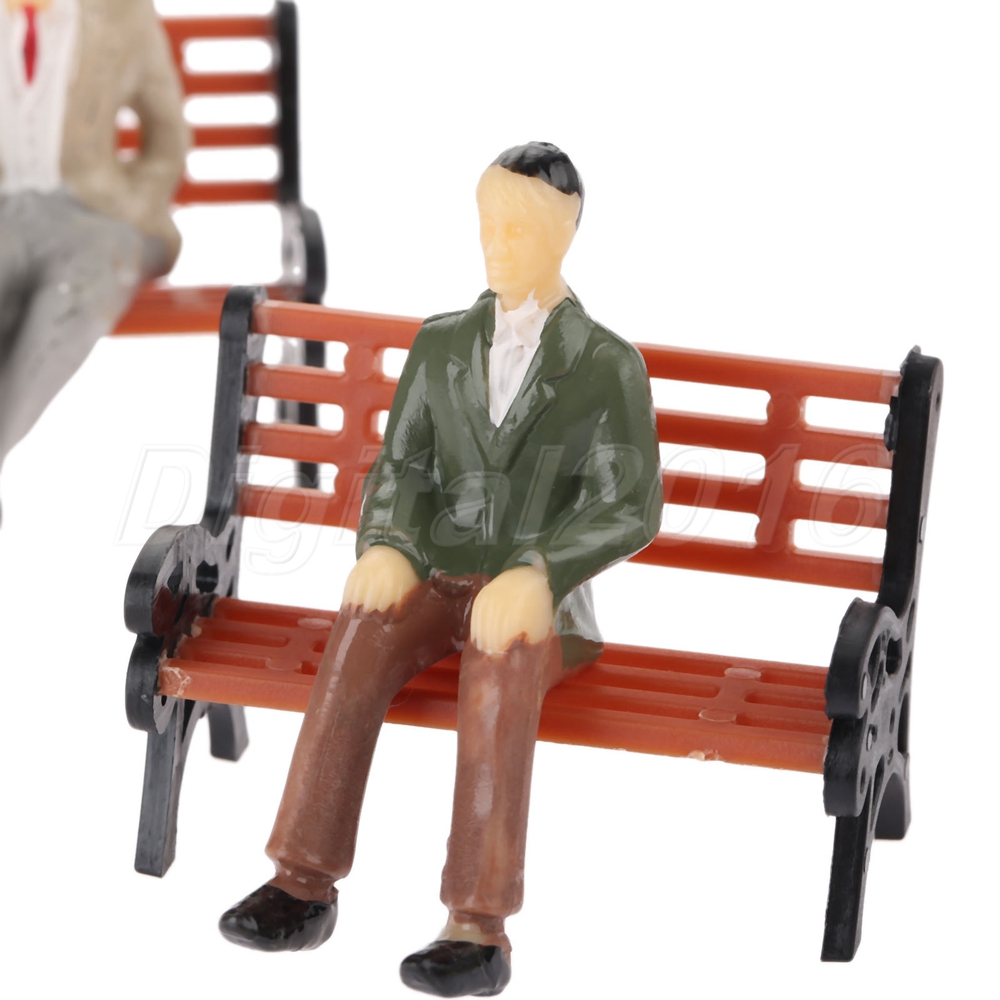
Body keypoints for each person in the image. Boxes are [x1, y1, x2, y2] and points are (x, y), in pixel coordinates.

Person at [219, 142, 664, 998]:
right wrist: (390, 543)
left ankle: (476, 924)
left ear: (566, 231)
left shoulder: (607, 364)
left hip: (538, 604)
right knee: (360, 631)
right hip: (437, 577)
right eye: (488, 224)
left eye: (519, 228)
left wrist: (539, 572)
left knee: (496, 672)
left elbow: (629, 503)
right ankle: (301, 881)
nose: (497, 244)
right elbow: (403, 468)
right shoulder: (442, 343)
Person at [0, 0, 188, 492]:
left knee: (78, 289)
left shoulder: (124, 15)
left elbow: (167, 137)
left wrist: (133, 207)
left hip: (94, 215)